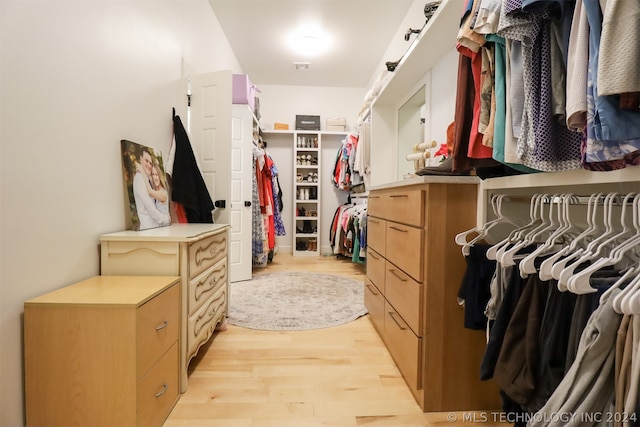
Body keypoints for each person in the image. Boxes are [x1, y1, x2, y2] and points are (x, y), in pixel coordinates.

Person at [132, 147, 170, 230]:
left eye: (150, 162)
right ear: (140, 158)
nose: (149, 165)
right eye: (146, 161)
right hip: (148, 229)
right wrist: (166, 219)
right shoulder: (139, 178)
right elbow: (151, 209)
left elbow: (151, 193)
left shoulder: (149, 181)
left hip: (156, 228)